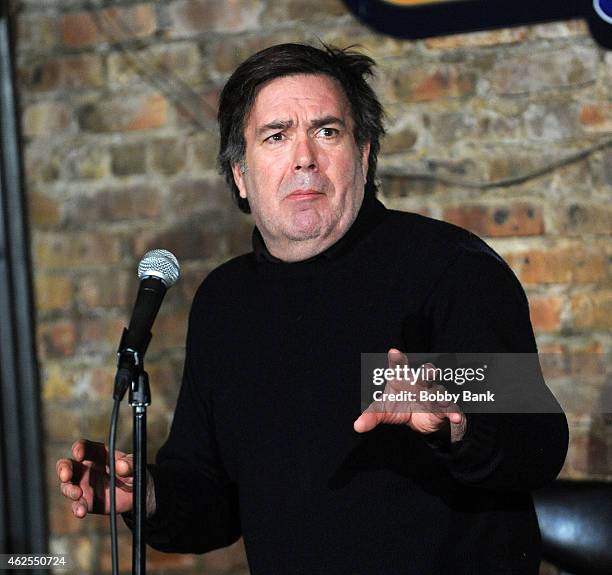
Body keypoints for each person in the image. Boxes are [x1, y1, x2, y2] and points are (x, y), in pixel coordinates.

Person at [57, 43, 568, 574]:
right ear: (239, 174)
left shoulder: (450, 269)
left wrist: (455, 421)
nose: (304, 157)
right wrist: (148, 497)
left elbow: (539, 443)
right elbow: (213, 501)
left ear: (364, 154)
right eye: (276, 136)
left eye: (327, 131)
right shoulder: (225, 304)